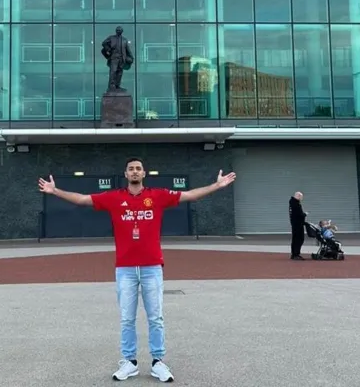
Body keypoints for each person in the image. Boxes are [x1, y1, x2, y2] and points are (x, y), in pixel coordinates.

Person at [38, 158, 236, 382]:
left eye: (138, 169)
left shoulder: (158, 195)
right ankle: (129, 362)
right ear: (126, 173)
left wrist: (216, 186)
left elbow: (189, 195)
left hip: (152, 267)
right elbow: (83, 199)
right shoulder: (114, 197)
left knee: (156, 318)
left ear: (144, 174)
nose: (134, 172)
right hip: (125, 269)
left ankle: (158, 362)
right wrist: (55, 191)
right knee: (126, 318)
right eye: (131, 169)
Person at [288, 191, 307, 260]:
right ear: (298, 196)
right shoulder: (296, 204)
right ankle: (296, 254)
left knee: (295, 239)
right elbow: (299, 214)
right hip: (298, 224)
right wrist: (305, 214)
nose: (301, 198)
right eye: (301, 197)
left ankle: (294, 254)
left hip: (294, 224)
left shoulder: (292, 203)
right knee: (299, 239)